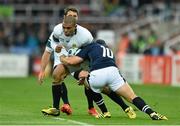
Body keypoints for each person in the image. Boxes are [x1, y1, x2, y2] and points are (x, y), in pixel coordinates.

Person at [60, 39, 168, 120]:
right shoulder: (109, 50)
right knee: (132, 96)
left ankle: (105, 112)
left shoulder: (91, 46)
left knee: (87, 84)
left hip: (98, 74)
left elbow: (72, 62)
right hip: (113, 72)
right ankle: (152, 113)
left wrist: (62, 57)